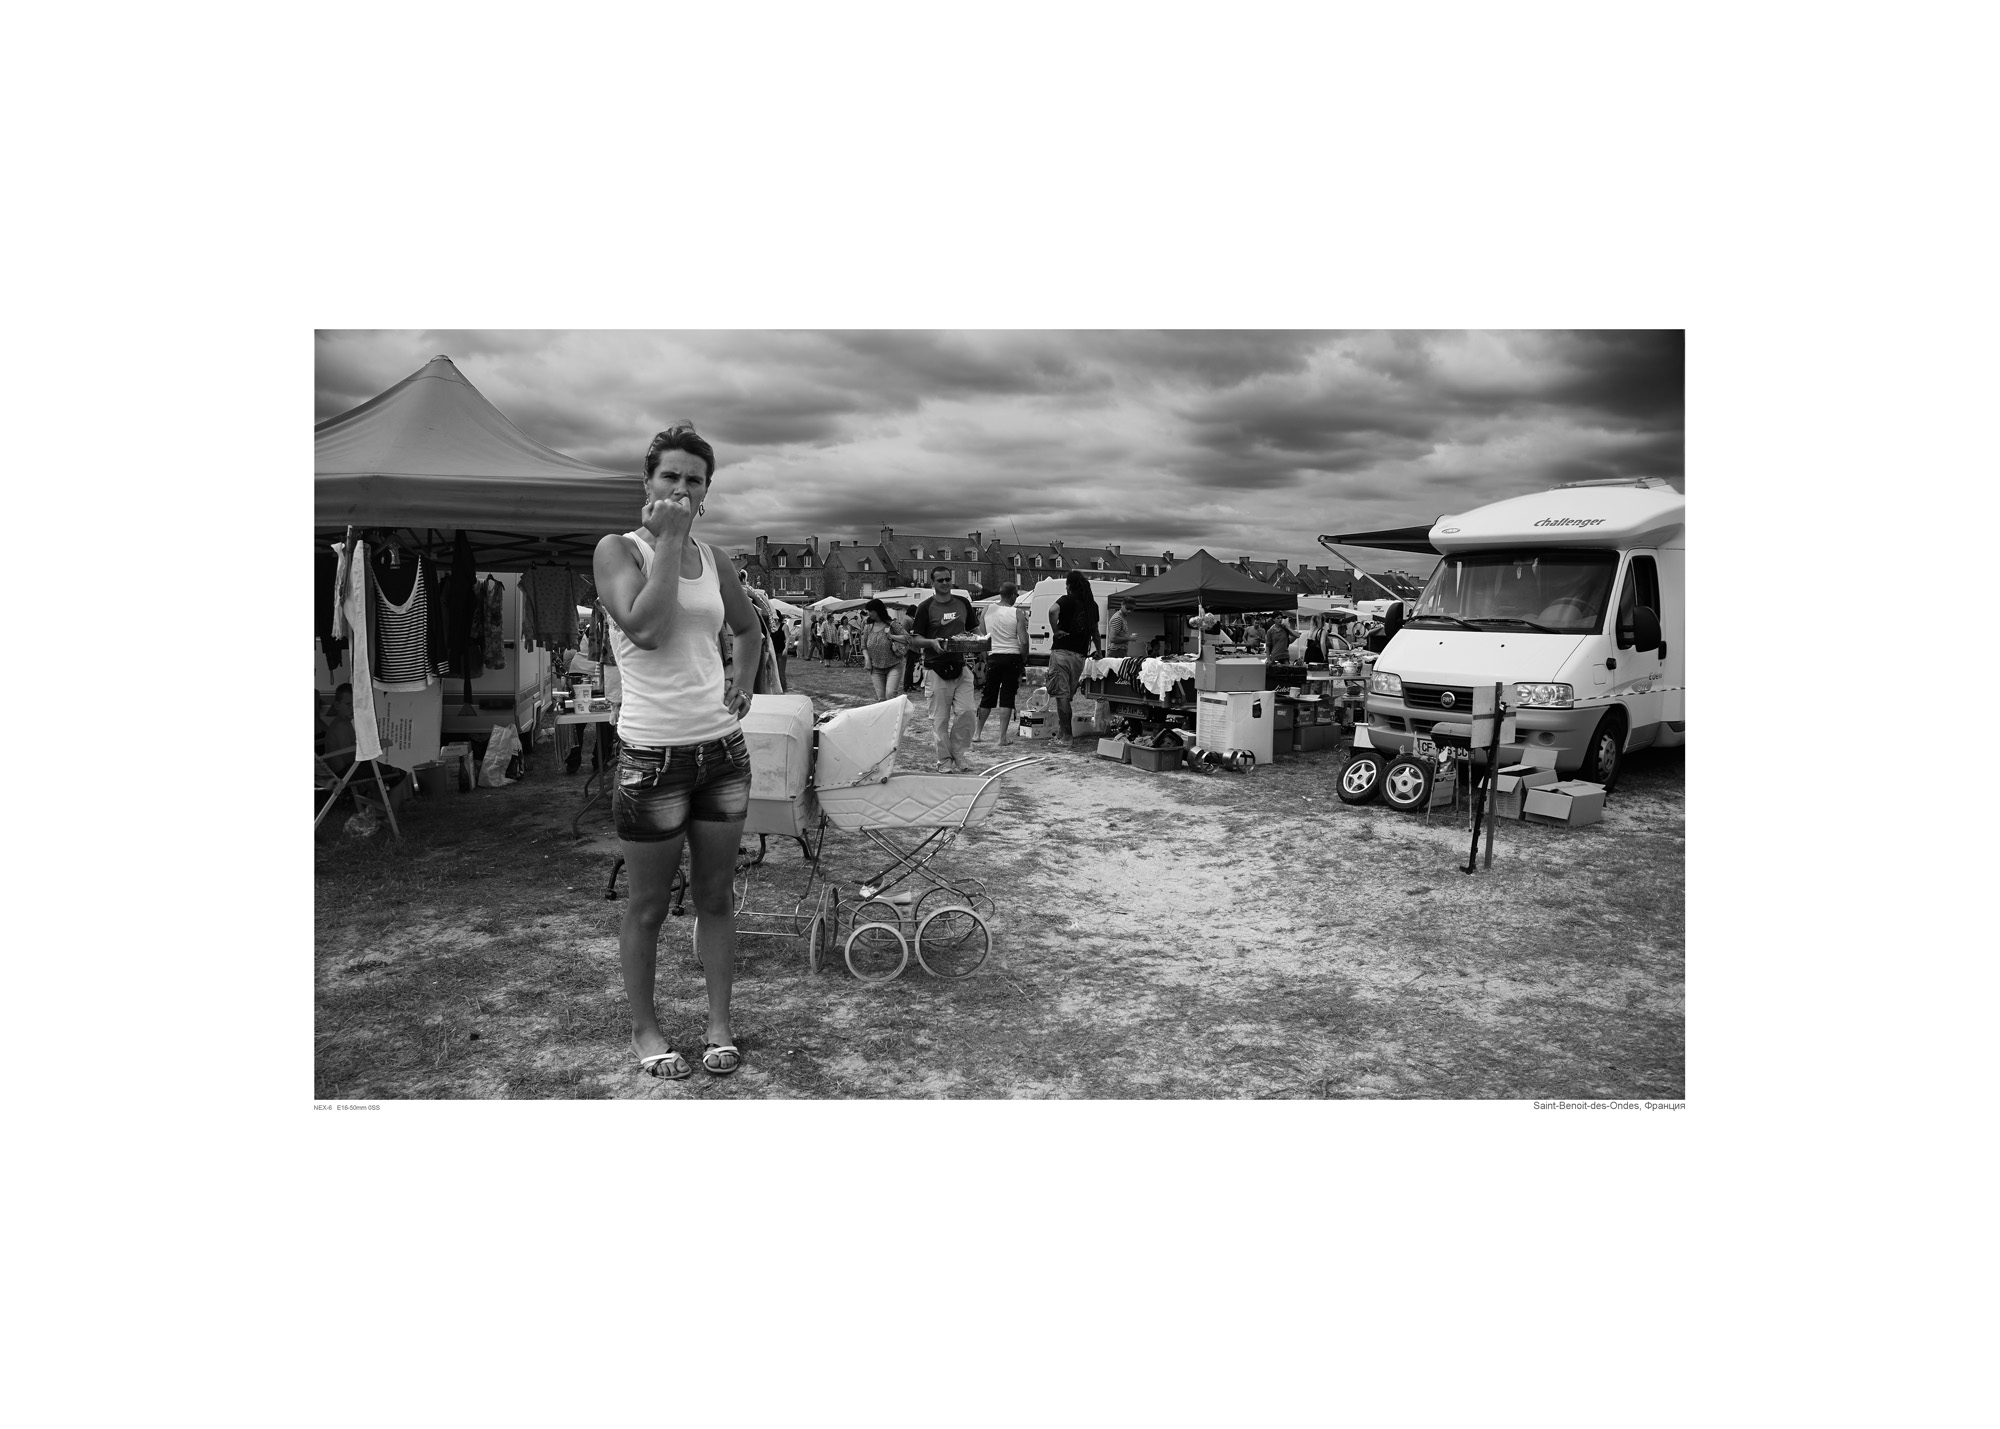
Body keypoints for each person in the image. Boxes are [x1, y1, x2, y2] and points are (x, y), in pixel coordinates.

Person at [594, 420, 762, 1082]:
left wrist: (742, 680)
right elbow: (646, 627)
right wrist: (666, 541)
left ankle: (719, 1023)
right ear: (648, 482)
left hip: (721, 752)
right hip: (653, 757)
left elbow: (747, 628)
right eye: (670, 475)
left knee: (717, 895)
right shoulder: (619, 550)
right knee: (649, 905)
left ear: (707, 491)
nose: (682, 487)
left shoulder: (715, 559)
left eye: (695, 479)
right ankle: (646, 1029)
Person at [909, 565, 984, 771]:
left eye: (947, 579)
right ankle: (944, 761)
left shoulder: (963, 603)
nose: (945, 583)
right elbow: (915, 639)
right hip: (935, 668)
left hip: (961, 665)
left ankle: (958, 755)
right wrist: (931, 642)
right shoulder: (925, 607)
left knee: (967, 712)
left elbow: (974, 629)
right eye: (940, 580)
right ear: (932, 583)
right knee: (940, 720)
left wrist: (981, 641)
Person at [1047, 569, 1099, 744]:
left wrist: (1055, 630)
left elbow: (1052, 611)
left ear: (1069, 586)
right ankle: (1062, 733)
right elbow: (1095, 632)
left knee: (1061, 696)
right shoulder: (1092, 605)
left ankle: (1067, 737)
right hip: (1080, 656)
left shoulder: (1066, 600)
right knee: (1067, 696)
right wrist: (1099, 651)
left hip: (1062, 652)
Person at [975, 584, 1028, 745]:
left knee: (988, 695)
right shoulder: (1017, 613)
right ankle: (1002, 738)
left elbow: (983, 634)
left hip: (994, 656)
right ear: (1012, 595)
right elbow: (1023, 641)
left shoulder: (987, 609)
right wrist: (1023, 658)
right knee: (1007, 696)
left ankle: (977, 733)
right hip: (1012, 656)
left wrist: (986, 654)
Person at [861, 598, 906, 702]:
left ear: (877, 610)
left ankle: (895, 712)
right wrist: (867, 659)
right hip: (876, 668)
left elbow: (907, 638)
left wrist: (892, 637)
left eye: (870, 611)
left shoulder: (892, 625)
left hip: (894, 665)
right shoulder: (868, 627)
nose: (868, 613)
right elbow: (863, 646)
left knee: (890, 694)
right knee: (881, 699)